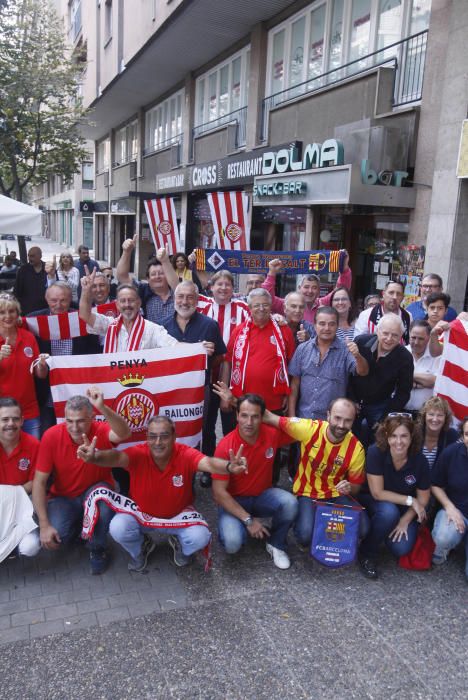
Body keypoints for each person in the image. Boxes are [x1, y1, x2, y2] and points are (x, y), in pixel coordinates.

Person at [76, 415, 247, 572]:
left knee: (200, 537)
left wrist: (229, 467)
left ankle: (180, 545)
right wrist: (95, 457)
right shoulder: (138, 453)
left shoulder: (185, 453)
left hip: (178, 516)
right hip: (141, 514)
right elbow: (115, 457)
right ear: (147, 437)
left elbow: (208, 463)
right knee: (118, 527)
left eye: (164, 436)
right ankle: (142, 547)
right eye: (152, 436)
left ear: (174, 436)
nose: (158, 442)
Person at [32, 388, 131, 574]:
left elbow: (124, 434)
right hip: (63, 497)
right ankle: (82, 526)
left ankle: (97, 547)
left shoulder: (100, 429)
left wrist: (103, 407)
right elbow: (39, 482)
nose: (74, 427)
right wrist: (44, 525)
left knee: (102, 500)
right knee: (58, 536)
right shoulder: (51, 436)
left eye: (80, 421)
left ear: (92, 418)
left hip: (96, 491)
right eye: (69, 421)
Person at [262, 398, 367, 548]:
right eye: (337, 418)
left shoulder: (357, 449)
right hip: (307, 492)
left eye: (347, 420)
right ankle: (308, 517)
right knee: (305, 536)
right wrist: (234, 400)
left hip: (336, 494)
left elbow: (356, 488)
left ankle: (319, 519)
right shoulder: (310, 428)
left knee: (363, 529)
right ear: (328, 415)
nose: (341, 425)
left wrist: (349, 487)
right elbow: (271, 417)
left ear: (353, 421)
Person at [212, 393, 297, 569]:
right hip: (233, 500)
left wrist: (273, 419)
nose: (249, 423)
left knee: (290, 502)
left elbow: (299, 430)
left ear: (263, 417)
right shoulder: (224, 447)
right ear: (236, 416)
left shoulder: (272, 434)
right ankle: (240, 524)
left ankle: (276, 544)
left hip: (261, 496)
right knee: (233, 543)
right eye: (244, 415)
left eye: (255, 416)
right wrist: (248, 521)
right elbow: (219, 493)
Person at [357, 414, 430, 580]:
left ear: (412, 437)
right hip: (374, 501)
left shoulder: (420, 461)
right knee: (389, 512)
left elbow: (424, 498)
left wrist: (405, 519)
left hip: (403, 508)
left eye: (404, 436)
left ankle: (382, 531)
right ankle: (367, 553)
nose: (399, 442)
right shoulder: (375, 452)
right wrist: (411, 501)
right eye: (394, 436)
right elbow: (377, 492)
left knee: (400, 548)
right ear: (386, 436)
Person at [29, 281, 102, 434]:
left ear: (70, 299)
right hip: (46, 391)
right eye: (54, 300)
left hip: (76, 388)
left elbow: (94, 353)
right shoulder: (33, 321)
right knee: (48, 433)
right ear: (46, 299)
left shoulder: (83, 318)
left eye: (63, 300)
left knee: (79, 433)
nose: (58, 305)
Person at [288, 306, 368, 421]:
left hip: (332, 422)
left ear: (337, 326)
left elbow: (363, 372)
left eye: (331, 324)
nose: (327, 328)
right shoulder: (303, 349)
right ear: (314, 326)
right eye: (322, 323)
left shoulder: (345, 350)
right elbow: (294, 384)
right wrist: (292, 417)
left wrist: (357, 355)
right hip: (304, 418)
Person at [348, 314, 414, 444]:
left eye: (395, 335)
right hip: (354, 400)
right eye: (385, 333)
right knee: (349, 439)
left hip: (380, 405)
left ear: (401, 336)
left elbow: (403, 392)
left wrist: (385, 417)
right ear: (377, 331)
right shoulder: (361, 342)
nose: (389, 339)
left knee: (378, 442)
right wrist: (351, 399)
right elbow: (347, 373)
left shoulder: (405, 357)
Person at [80, 271, 178, 352]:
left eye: (131, 300)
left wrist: (193, 350)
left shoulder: (153, 329)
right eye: (123, 301)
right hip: (113, 375)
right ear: (117, 305)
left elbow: (176, 346)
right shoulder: (109, 325)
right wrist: (85, 291)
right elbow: (85, 314)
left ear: (139, 303)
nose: (127, 305)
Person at [0, 293, 48, 438]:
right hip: (2, 412)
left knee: (32, 455)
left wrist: (42, 365)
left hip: (28, 410)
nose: (7, 316)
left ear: (18, 313)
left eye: (11, 311)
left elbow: (41, 375)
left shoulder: (28, 337)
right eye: (2, 312)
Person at [0, 397, 41, 559]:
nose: (10, 423)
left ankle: (11, 548)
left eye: (15, 419)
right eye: (4, 419)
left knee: (30, 546)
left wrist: (10, 495)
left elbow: (37, 481)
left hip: (23, 503)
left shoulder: (34, 445)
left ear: (22, 420)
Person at [261, 252, 352, 324]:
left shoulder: (323, 303)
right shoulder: (286, 303)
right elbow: (266, 298)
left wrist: (344, 269)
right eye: (306, 287)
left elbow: (341, 291)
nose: (310, 291)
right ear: (299, 288)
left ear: (319, 291)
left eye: (314, 287)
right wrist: (271, 273)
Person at [431, 417, 468, 581]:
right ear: (463, 435)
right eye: (467, 434)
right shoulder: (452, 452)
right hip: (457, 510)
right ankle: (444, 548)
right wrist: (450, 507)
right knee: (444, 536)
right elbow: (435, 484)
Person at [116, 236, 176, 323]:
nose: (157, 276)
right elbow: (122, 276)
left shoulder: (177, 293)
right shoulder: (142, 290)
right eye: (153, 274)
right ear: (148, 278)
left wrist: (165, 261)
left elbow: (176, 285)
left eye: (161, 273)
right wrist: (126, 252)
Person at [354, 280, 412, 344]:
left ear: (402, 297)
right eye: (391, 293)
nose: (394, 297)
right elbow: (359, 342)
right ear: (383, 294)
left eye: (398, 294)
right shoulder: (367, 315)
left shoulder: (407, 316)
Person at [405, 320, 440, 414]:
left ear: (428, 338)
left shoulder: (436, 356)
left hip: (426, 414)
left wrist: (407, 376)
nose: (416, 342)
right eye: (413, 337)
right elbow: (394, 378)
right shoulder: (401, 352)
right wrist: (421, 382)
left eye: (421, 339)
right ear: (409, 335)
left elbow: (434, 381)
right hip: (401, 411)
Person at [416, 397, 459, 471]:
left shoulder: (452, 435)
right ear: (424, 415)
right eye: (431, 414)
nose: (435, 419)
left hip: (440, 481)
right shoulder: (414, 432)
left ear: (446, 417)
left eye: (440, 415)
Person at [13, 246, 50, 314]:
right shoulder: (23, 270)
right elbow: (16, 291)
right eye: (29, 256)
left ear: (40, 256)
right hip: (27, 310)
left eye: (32, 256)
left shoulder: (48, 269)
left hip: (45, 310)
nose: (29, 259)